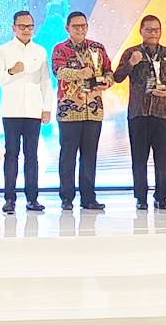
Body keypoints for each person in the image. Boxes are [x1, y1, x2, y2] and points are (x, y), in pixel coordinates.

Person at [113, 15, 166, 211]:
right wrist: (131, 64)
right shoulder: (132, 52)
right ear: (141, 31)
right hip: (139, 113)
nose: (153, 33)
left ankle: (161, 197)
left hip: (163, 113)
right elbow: (117, 77)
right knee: (139, 157)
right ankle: (141, 197)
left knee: (162, 157)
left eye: (156, 30)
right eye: (149, 30)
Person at [0, 10, 54, 213]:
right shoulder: (4, 50)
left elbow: (45, 81)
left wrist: (46, 108)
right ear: (13, 27)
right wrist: (11, 71)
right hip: (11, 110)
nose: (26, 30)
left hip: (34, 111)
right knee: (11, 155)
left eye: (29, 26)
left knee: (32, 155)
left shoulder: (40, 51)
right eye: (22, 26)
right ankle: (9, 199)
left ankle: (32, 198)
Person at [51, 11, 113, 210]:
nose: (80, 29)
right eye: (76, 26)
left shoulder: (97, 48)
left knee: (90, 155)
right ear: (67, 28)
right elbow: (59, 71)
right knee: (68, 155)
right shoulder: (61, 49)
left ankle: (89, 197)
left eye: (83, 26)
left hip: (93, 109)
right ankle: (66, 197)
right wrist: (80, 73)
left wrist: (107, 82)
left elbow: (109, 71)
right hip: (70, 111)